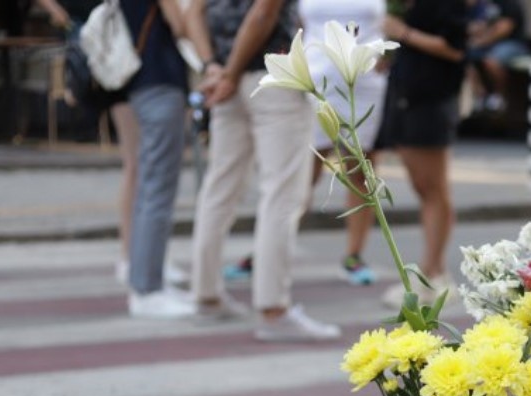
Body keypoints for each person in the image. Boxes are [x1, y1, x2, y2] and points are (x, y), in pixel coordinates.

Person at [185, 0, 340, 341]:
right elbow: (263, 12)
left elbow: (193, 12)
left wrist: (213, 67)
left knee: (220, 189)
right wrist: (230, 72)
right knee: (283, 194)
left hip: (226, 77)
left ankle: (206, 294)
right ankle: (274, 309)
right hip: (272, 74)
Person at [35, 0, 187, 289]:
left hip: (123, 62)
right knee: (139, 165)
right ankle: (133, 257)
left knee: (141, 165)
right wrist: (61, 16)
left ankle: (140, 256)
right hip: (129, 66)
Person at [377, 0, 468, 308]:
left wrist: (403, 32)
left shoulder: (445, 8)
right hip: (408, 96)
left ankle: (433, 273)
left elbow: (454, 47)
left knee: (433, 188)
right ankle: (433, 271)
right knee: (424, 187)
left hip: (430, 100)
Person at [113, 0, 195, 318]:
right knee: (157, 188)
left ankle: (147, 279)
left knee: (148, 184)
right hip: (159, 78)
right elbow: (180, 24)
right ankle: (146, 289)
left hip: (140, 80)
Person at [300, 0, 389, 286]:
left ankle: (354, 255)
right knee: (302, 170)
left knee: (360, 169)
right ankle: (271, 248)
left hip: (364, 79)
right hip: (315, 78)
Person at [465, 0, 530, 114]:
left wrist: (480, 41)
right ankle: (480, 96)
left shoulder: (510, 4)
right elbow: (479, 25)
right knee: (466, 57)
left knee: (492, 60)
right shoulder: (486, 4)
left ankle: (500, 96)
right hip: (489, 45)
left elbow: (505, 28)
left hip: (512, 44)